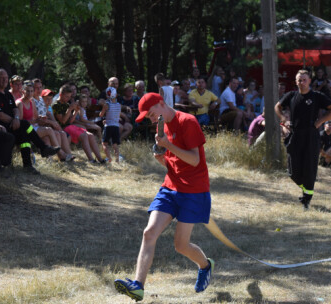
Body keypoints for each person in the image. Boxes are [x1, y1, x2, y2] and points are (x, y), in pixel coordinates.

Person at [114, 93, 213, 301]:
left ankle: (205, 265)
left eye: (151, 114)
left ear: (162, 103)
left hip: (194, 190)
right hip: (170, 187)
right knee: (149, 232)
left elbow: (194, 160)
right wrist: (162, 158)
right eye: (147, 117)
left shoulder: (188, 121)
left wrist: (168, 145)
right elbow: (174, 164)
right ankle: (138, 286)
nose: (150, 119)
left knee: (181, 245)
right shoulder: (162, 127)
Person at [275, 70, 331, 209]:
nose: (301, 82)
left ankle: (307, 199)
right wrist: (283, 119)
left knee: (309, 167)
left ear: (310, 81)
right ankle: (305, 190)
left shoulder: (316, 96)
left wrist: (320, 121)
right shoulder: (291, 95)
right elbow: (277, 107)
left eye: (304, 80)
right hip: (295, 133)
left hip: (311, 134)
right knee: (293, 171)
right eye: (299, 80)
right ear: (296, 81)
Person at [0, 69, 59, 174]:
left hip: (12, 125)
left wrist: (16, 118)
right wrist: (14, 120)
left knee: (25, 135)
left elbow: (14, 109)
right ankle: (43, 148)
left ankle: (28, 165)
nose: (4, 80)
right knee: (24, 124)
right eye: (1, 78)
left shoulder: (7, 94)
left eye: (6, 78)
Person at [16, 82, 71, 162]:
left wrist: (41, 118)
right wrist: (37, 120)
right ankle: (61, 154)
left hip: (33, 126)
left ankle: (54, 158)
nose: (30, 93)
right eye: (28, 91)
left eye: (31, 91)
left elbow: (36, 116)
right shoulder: (20, 103)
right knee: (49, 130)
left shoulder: (32, 102)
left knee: (49, 135)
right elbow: (21, 122)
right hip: (25, 129)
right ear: (23, 91)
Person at [53, 84, 104, 163]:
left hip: (70, 126)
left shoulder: (66, 104)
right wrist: (70, 109)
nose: (68, 98)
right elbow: (63, 121)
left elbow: (70, 120)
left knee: (90, 135)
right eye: (66, 96)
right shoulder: (56, 105)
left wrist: (76, 111)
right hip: (63, 128)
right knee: (84, 135)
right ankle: (91, 159)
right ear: (61, 95)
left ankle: (100, 159)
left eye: (69, 97)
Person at [99, 87, 121, 162]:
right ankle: (117, 159)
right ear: (116, 95)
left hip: (108, 126)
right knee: (115, 144)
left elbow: (101, 115)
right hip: (116, 126)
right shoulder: (119, 105)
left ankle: (109, 158)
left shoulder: (107, 104)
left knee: (104, 143)